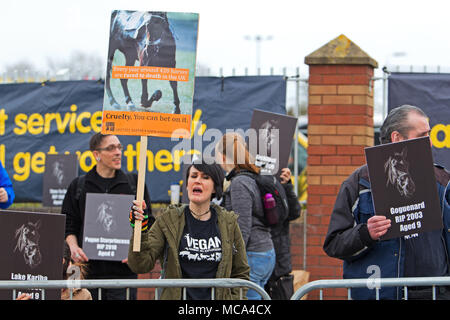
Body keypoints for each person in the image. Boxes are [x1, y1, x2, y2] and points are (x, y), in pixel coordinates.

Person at [323, 105, 450, 300]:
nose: (430, 143)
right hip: (380, 293)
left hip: (434, 293)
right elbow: (334, 244)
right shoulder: (359, 182)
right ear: (397, 138)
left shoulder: (442, 181)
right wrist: (366, 234)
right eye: (423, 135)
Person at [128, 160, 250, 300]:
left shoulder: (229, 223)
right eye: (193, 176)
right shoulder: (168, 219)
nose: (197, 181)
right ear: (187, 184)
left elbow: (241, 272)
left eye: (205, 177)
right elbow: (140, 264)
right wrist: (140, 229)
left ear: (215, 187)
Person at [61, 132, 154, 300]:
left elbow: (149, 224)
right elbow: (68, 224)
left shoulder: (134, 185)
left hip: (123, 276)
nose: (118, 152)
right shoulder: (79, 186)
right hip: (86, 275)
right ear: (97, 154)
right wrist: (73, 248)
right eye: (111, 148)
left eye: (119, 147)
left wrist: (135, 250)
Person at [215, 132, 275, 300]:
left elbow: (243, 227)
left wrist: (232, 258)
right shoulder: (250, 178)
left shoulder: (240, 183)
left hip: (253, 255)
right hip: (263, 252)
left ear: (223, 156)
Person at [265, 167, 302, 300]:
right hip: (258, 260)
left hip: (280, 264)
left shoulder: (278, 183)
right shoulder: (248, 182)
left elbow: (295, 212)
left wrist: (286, 186)